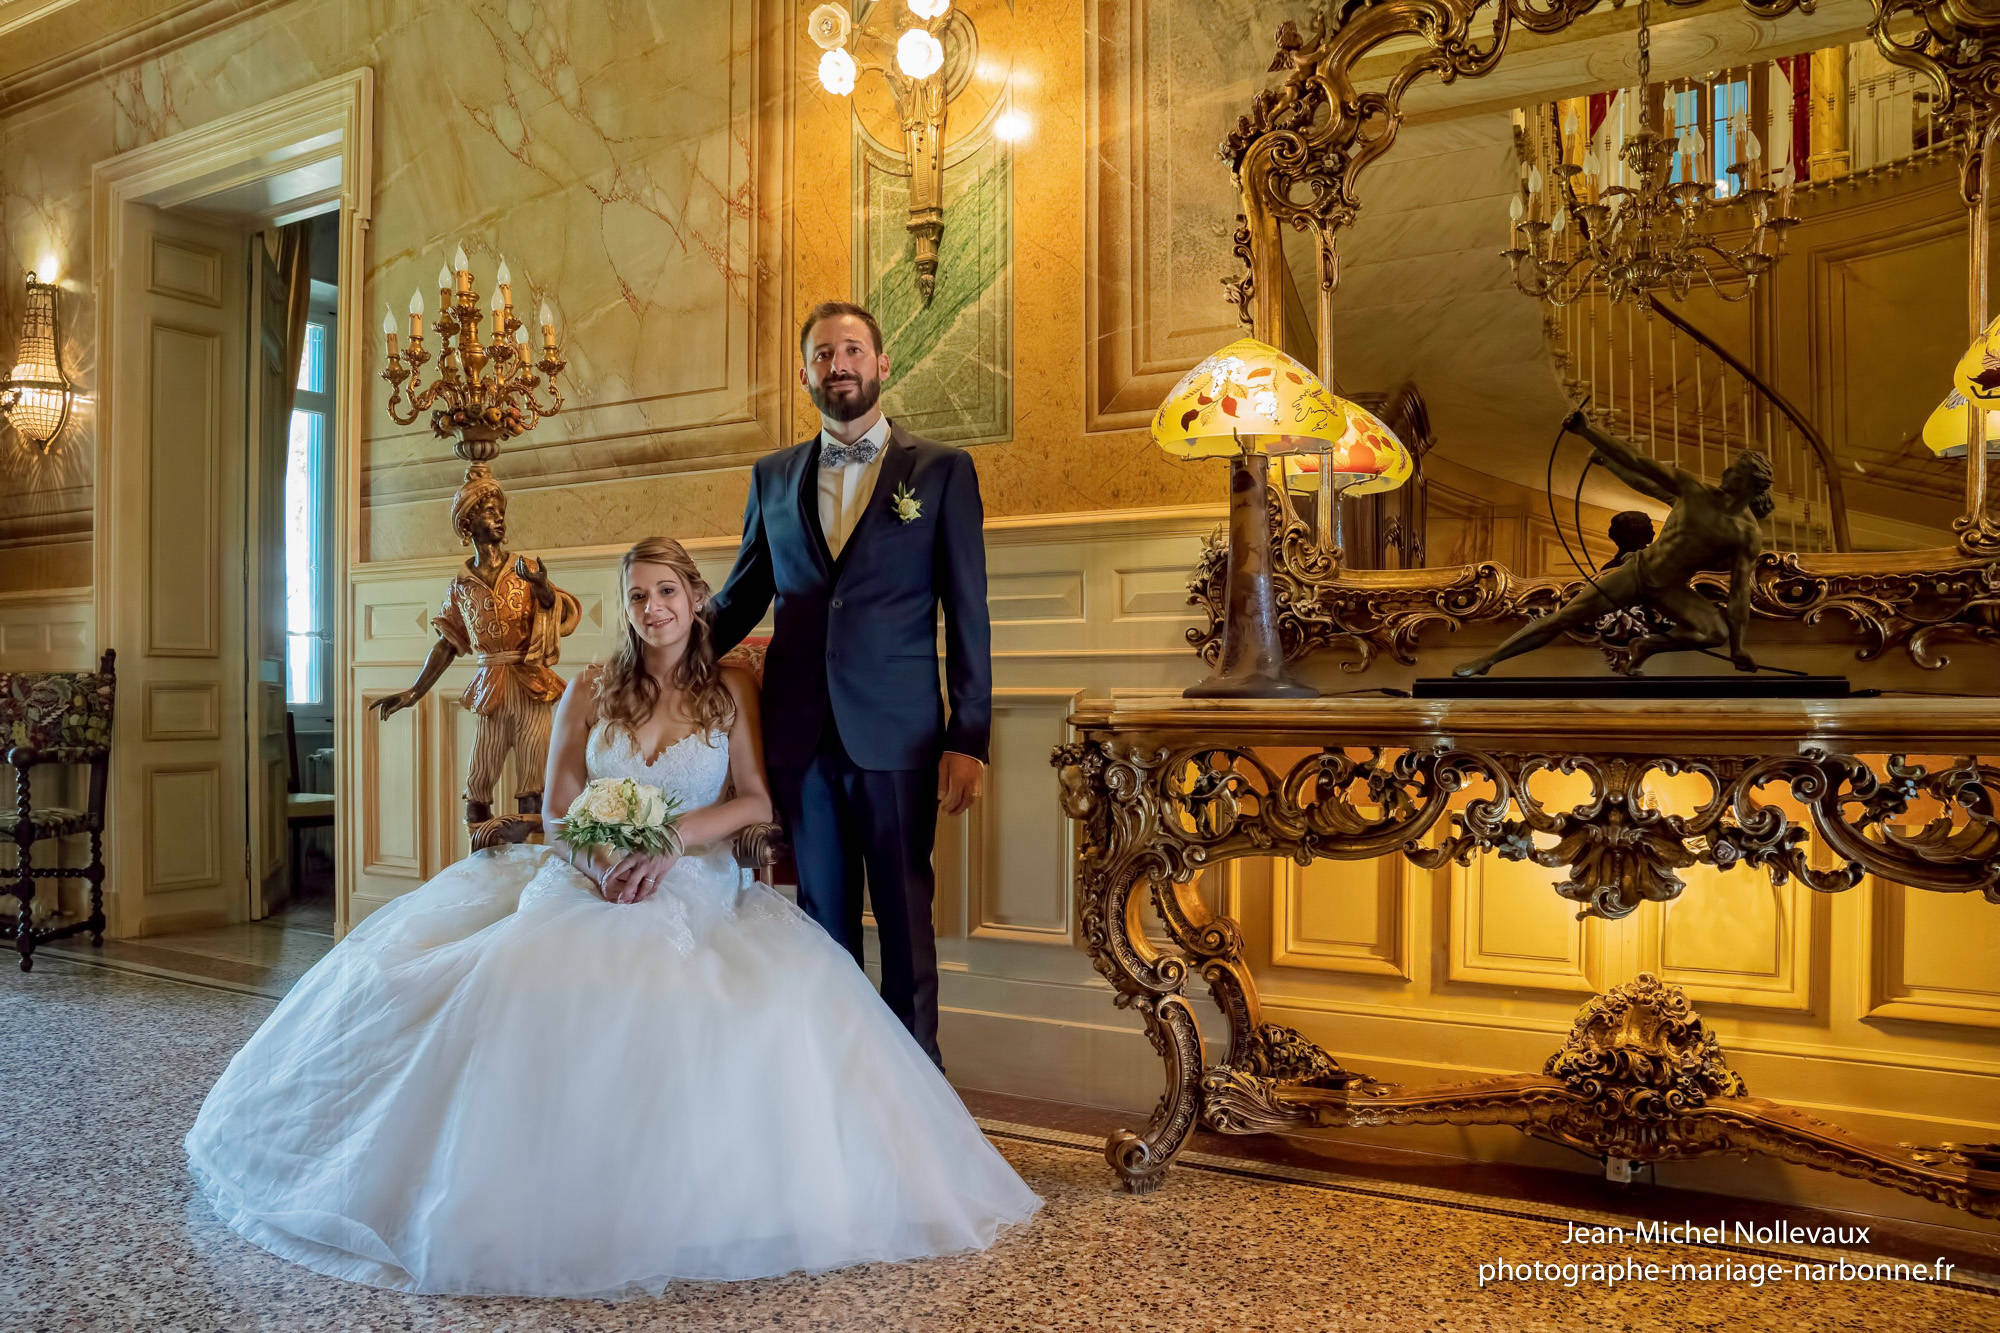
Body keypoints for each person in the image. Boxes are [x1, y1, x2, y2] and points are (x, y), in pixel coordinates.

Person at [184, 538, 1039, 1297]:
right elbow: (556, 806)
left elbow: (753, 801)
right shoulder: (590, 687)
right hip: (587, 872)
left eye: (668, 592)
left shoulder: (732, 685)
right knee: (525, 968)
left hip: (695, 879)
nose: (655, 609)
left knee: (676, 982)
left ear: (696, 599)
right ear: (624, 607)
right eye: (638, 595)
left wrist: (666, 843)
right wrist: (598, 855)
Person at [708, 301, 990, 1070]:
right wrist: (658, 652)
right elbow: (740, 595)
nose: (840, 364)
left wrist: (970, 738)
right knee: (821, 927)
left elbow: (969, 612)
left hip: (899, 739)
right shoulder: (770, 477)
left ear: (881, 364)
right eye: (824, 354)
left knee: (904, 924)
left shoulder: (940, 471)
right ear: (805, 374)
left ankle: (918, 1104)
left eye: (854, 349)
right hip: (799, 739)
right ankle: (835, 1102)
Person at [1453, 406, 1774, 678]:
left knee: (1713, 632)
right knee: (1566, 616)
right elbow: (1639, 463)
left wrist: (1738, 648)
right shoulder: (1694, 491)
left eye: (1738, 470)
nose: (1728, 470)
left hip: (1671, 588)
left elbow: (1739, 594)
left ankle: (1647, 646)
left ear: (1749, 484)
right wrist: (1588, 431)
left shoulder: (1746, 534)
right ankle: (1487, 661)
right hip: (1639, 572)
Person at [371, 465, 581, 846]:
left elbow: (556, 610)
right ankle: (480, 864)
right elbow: (448, 643)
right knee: (479, 783)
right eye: (488, 510)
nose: (498, 516)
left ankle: (529, 867)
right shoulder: (460, 586)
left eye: (499, 509)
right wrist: (414, 692)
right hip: (491, 689)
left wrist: (541, 587)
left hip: (531, 684)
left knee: (534, 779)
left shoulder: (525, 569)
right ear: (467, 523)